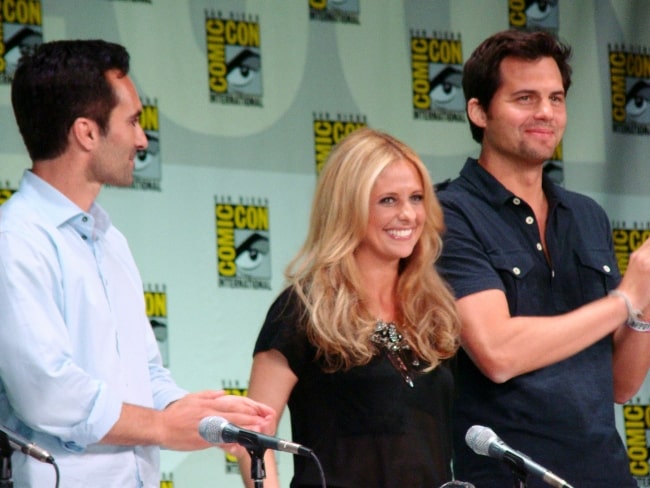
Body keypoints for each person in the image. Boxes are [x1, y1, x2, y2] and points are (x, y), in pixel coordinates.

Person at [0, 39, 275, 488]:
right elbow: (46, 391)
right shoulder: (15, 240)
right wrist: (165, 427)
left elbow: (145, 375)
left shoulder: (110, 239)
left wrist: (201, 416)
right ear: (86, 132)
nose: (143, 140)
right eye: (132, 121)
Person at [436, 29, 650, 488]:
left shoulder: (587, 215)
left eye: (556, 98)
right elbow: (497, 353)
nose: (546, 113)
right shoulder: (450, 214)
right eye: (525, 98)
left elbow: (620, 384)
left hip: (607, 476)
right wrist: (622, 300)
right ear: (479, 111)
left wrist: (645, 302)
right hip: (507, 478)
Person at [237, 127, 461, 488]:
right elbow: (252, 438)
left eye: (416, 198)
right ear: (348, 207)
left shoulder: (434, 311)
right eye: (388, 200)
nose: (408, 214)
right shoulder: (304, 308)